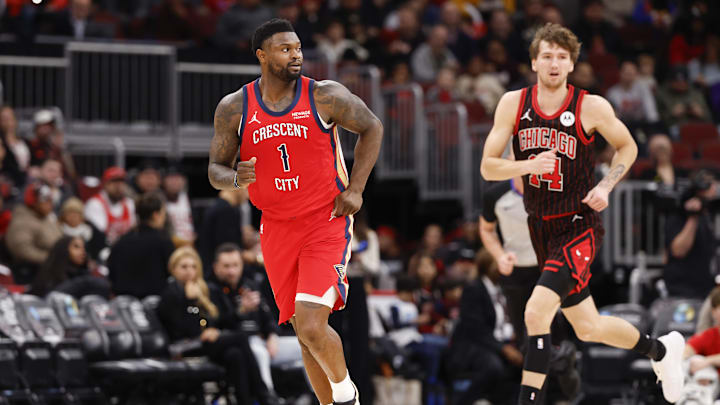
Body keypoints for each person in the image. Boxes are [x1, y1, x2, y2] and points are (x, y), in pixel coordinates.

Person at [480, 23, 684, 404]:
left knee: (536, 311)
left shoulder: (590, 106)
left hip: (579, 227)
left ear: (572, 64)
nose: (554, 63)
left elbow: (627, 147)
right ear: (534, 62)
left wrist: (606, 186)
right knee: (588, 327)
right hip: (540, 227)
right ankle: (662, 351)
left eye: (562, 57)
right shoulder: (513, 103)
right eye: (547, 56)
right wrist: (527, 167)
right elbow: (488, 167)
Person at [207, 18, 383, 405]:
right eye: (286, 49)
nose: (296, 55)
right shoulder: (235, 106)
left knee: (312, 325)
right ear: (262, 55)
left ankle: (345, 394)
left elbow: (372, 127)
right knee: (303, 333)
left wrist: (355, 188)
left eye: (299, 48)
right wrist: (235, 177)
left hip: (325, 220)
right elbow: (214, 171)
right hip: (275, 227)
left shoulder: (323, 95)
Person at [156, 246, 282, 405]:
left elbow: (210, 320)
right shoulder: (170, 292)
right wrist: (191, 302)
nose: (189, 271)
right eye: (184, 266)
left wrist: (210, 329)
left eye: (193, 266)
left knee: (234, 355)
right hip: (182, 346)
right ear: (173, 269)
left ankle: (246, 401)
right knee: (240, 338)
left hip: (202, 342)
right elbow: (180, 329)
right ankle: (264, 395)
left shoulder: (201, 288)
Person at [480, 170, 540, 350]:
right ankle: (531, 377)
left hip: (547, 268)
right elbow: (486, 230)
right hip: (514, 270)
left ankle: (561, 374)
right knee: (523, 335)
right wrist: (499, 255)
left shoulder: (552, 191)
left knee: (551, 330)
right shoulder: (495, 195)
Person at [208, 243, 280, 392]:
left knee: (306, 348)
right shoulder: (211, 289)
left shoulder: (250, 285)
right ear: (216, 267)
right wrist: (240, 311)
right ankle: (268, 397)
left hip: (264, 341)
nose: (231, 271)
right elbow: (216, 324)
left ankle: (321, 398)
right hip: (240, 344)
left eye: (235, 265)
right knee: (260, 353)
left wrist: (272, 335)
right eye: (226, 266)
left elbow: (268, 317)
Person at [107, 192, 175, 298]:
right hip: (155, 304)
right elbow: (172, 273)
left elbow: (112, 273)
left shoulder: (121, 241)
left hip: (124, 304)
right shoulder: (163, 241)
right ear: (155, 215)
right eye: (163, 213)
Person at [663, 170, 718, 300]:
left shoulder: (706, 217)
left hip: (705, 289)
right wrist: (693, 217)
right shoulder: (678, 217)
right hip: (682, 291)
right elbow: (678, 251)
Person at [30, 236, 110, 298]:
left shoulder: (85, 275)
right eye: (76, 247)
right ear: (63, 249)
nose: (82, 252)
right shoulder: (48, 277)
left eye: (83, 248)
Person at [84, 167, 136, 245]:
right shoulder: (95, 204)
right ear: (105, 184)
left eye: (121, 182)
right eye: (114, 182)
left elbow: (134, 230)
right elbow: (100, 235)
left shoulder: (129, 203)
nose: (118, 186)